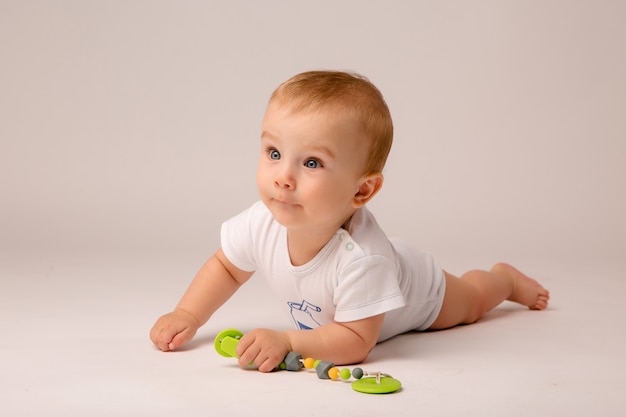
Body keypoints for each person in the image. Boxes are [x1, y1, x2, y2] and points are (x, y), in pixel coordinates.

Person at [150, 70, 550, 372]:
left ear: (361, 191)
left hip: (421, 291)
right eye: (273, 152)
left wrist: (290, 340)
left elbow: (356, 340)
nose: (282, 176)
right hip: (380, 269)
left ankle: (506, 279)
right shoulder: (261, 221)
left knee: (473, 301)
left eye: (311, 163)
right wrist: (188, 314)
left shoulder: (363, 261)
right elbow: (226, 267)